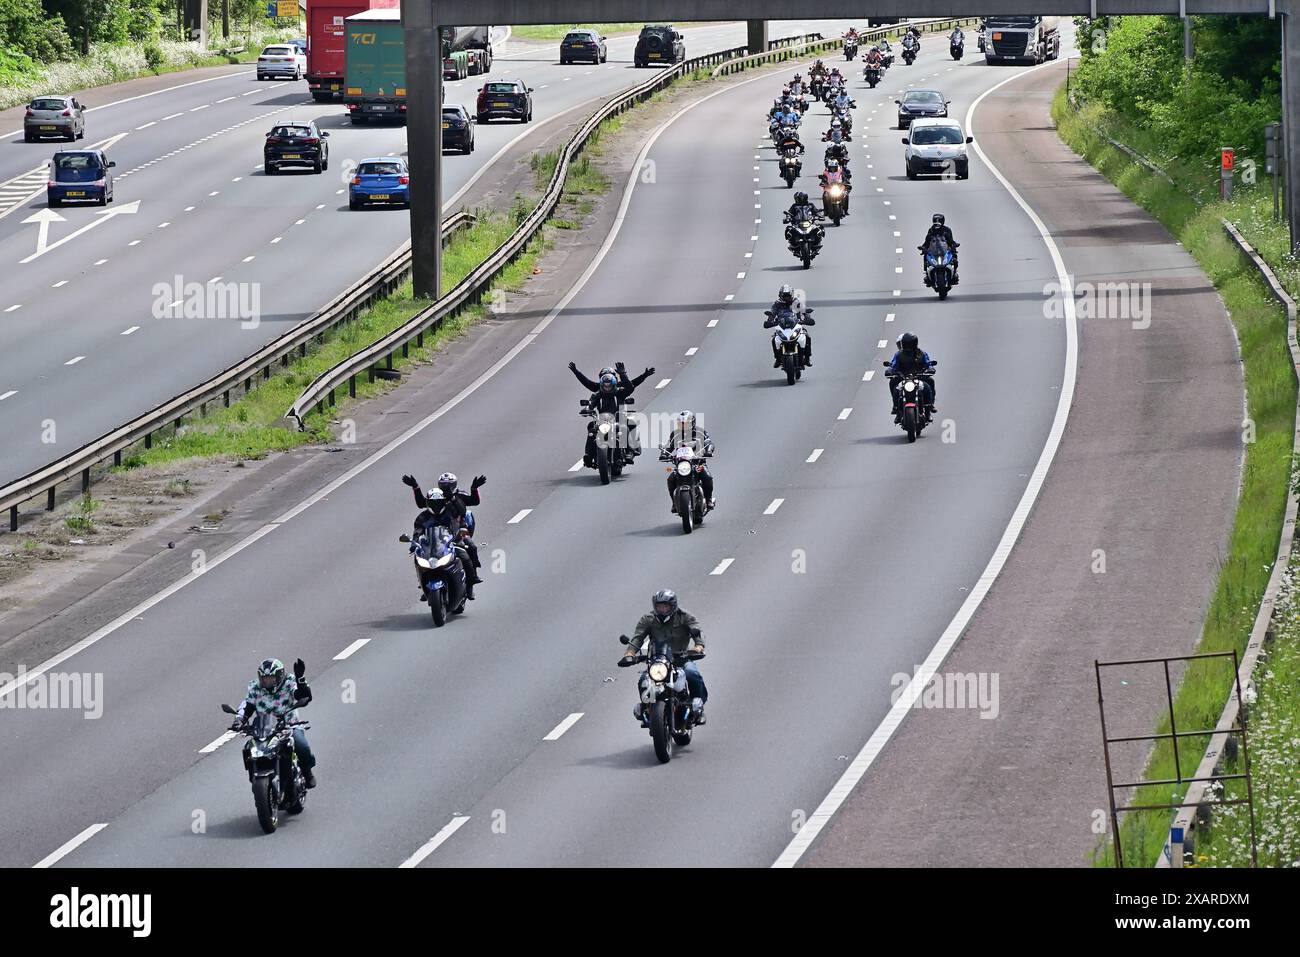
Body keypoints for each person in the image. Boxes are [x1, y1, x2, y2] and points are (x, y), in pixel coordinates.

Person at [620, 589, 708, 726]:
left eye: (665, 606)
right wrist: (630, 653)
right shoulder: (648, 619)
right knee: (644, 680)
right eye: (659, 606)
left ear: (673, 605)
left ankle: (699, 707)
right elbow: (638, 638)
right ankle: (646, 709)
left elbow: (697, 632)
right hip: (658, 661)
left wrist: (699, 646)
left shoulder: (684, 617)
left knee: (692, 673)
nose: (662, 609)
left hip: (681, 659)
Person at [231, 658, 316, 788]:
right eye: (265, 678)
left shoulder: (289, 682)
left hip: (288, 726)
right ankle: (255, 775)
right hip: (263, 729)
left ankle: (307, 772)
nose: (268, 681)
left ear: (280, 676)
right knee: (249, 748)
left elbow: (304, 696)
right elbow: (247, 705)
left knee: (301, 745)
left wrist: (300, 679)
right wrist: (239, 720)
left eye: (271, 678)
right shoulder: (255, 687)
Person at [402, 472, 486, 596]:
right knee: (418, 557)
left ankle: (471, 580)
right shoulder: (426, 512)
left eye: (449, 484)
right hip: (434, 542)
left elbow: (463, 511)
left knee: (469, 549)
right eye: (443, 484)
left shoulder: (452, 508)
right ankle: (424, 584)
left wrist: (471, 490)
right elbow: (418, 528)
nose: (436, 505)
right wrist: (415, 487)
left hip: (455, 536)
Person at [661, 410, 714, 512]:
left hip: (698, 463)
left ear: (692, 422)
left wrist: (709, 451)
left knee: (707, 477)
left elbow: (709, 443)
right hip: (681, 465)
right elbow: (669, 446)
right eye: (681, 423)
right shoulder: (675, 434)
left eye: (685, 423)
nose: (683, 425)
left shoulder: (700, 432)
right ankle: (674, 503)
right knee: (671, 480)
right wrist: (664, 454)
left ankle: (708, 500)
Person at [886, 332, 936, 417]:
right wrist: (890, 371)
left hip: (919, 377)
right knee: (893, 383)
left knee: (929, 383)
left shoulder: (921, 354)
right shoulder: (899, 355)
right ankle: (896, 407)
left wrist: (930, 369)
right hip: (903, 377)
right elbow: (893, 365)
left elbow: (927, 364)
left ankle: (929, 407)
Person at [764, 286, 815, 368]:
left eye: (788, 295)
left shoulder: (796, 302)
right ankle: (777, 358)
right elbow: (772, 313)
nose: (786, 298)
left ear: (791, 295)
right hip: (782, 326)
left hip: (795, 325)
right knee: (774, 339)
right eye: (785, 296)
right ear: (780, 295)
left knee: (807, 336)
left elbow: (803, 310)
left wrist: (807, 318)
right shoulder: (777, 304)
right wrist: (769, 320)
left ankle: (808, 358)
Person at [917, 212, 959, 281]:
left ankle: (954, 273)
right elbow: (927, 241)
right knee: (925, 256)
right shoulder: (931, 230)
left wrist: (954, 245)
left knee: (954, 256)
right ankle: (927, 275)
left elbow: (951, 240)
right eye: (935, 221)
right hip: (934, 250)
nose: (937, 222)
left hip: (945, 250)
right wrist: (923, 247)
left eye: (939, 221)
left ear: (942, 221)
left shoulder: (947, 230)